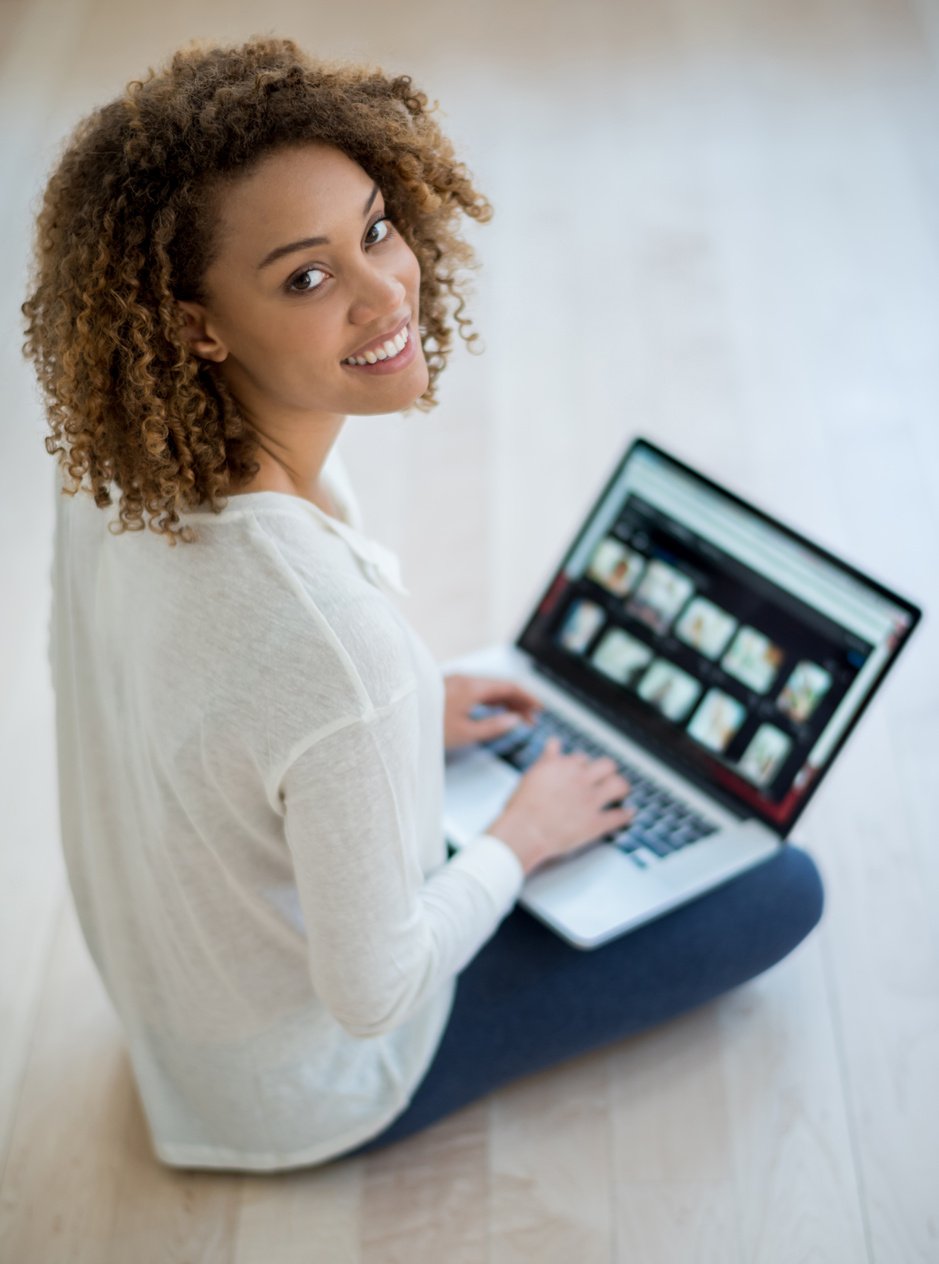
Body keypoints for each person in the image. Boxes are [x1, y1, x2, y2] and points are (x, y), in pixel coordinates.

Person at [22, 35, 824, 1173]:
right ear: (196, 326)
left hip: (176, 1003)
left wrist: (396, 730)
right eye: (307, 277)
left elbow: (183, 696)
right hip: (296, 1091)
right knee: (783, 889)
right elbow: (376, 991)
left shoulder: (109, 472)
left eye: (376, 227)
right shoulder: (336, 649)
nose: (385, 290)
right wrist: (520, 835)